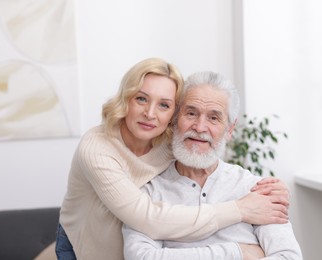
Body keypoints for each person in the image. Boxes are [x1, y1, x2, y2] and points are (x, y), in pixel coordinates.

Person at [56, 58, 291, 260]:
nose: (150, 113)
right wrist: (237, 243)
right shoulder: (98, 148)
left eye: (164, 105)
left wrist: (277, 190)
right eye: (141, 99)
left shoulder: (170, 140)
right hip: (86, 241)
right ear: (125, 98)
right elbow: (147, 223)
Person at [122, 71, 303, 260]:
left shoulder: (257, 190)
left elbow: (288, 257)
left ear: (230, 129)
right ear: (175, 121)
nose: (200, 127)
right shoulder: (149, 191)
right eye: (191, 113)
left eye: (214, 118)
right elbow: (141, 258)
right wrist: (238, 253)